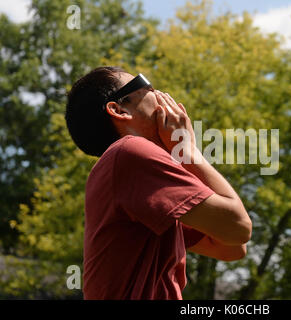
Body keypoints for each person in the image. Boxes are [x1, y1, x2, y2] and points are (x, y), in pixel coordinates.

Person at [65, 66, 252, 299]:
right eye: (145, 86)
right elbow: (239, 228)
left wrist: (181, 156)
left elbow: (231, 246)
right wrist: (188, 151)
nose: (158, 93)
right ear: (119, 109)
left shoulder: (134, 175)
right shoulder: (129, 152)